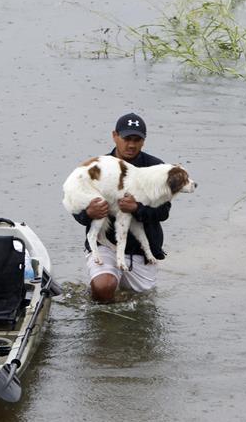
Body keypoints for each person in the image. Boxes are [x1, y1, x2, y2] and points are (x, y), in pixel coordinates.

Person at [72, 113, 172, 302]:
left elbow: (163, 212)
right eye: (127, 139)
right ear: (115, 136)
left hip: (141, 252)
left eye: (137, 139)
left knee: (140, 307)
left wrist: (137, 208)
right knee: (103, 288)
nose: (131, 145)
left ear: (144, 140)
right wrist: (88, 213)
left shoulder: (156, 168)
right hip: (106, 246)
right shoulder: (97, 167)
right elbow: (74, 204)